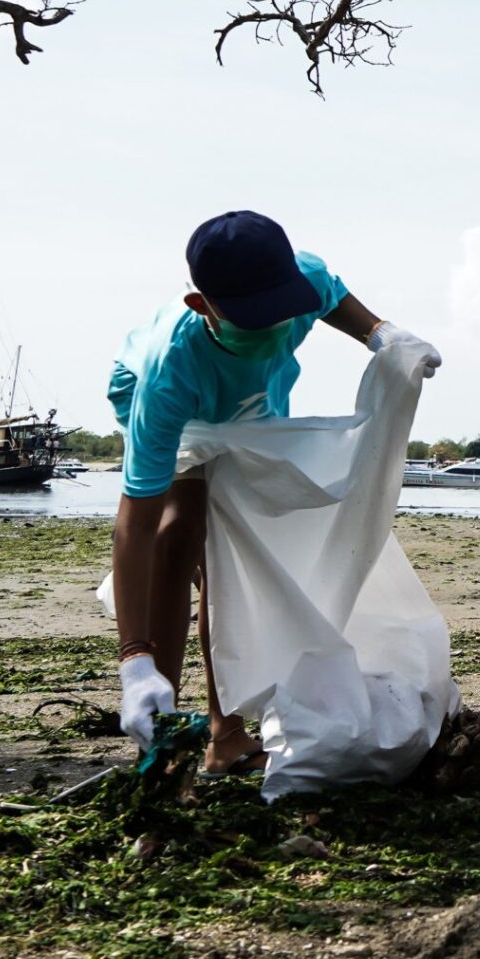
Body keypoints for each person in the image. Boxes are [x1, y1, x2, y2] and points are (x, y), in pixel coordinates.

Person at [106, 210, 438, 774]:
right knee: (181, 529)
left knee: (230, 555)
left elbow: (337, 301)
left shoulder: (300, 283)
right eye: (254, 319)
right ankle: (156, 726)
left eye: (280, 313)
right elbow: (132, 524)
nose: (274, 329)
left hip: (254, 406)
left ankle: (224, 730)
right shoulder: (169, 372)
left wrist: (384, 336)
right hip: (181, 405)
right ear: (202, 306)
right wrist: (132, 659)